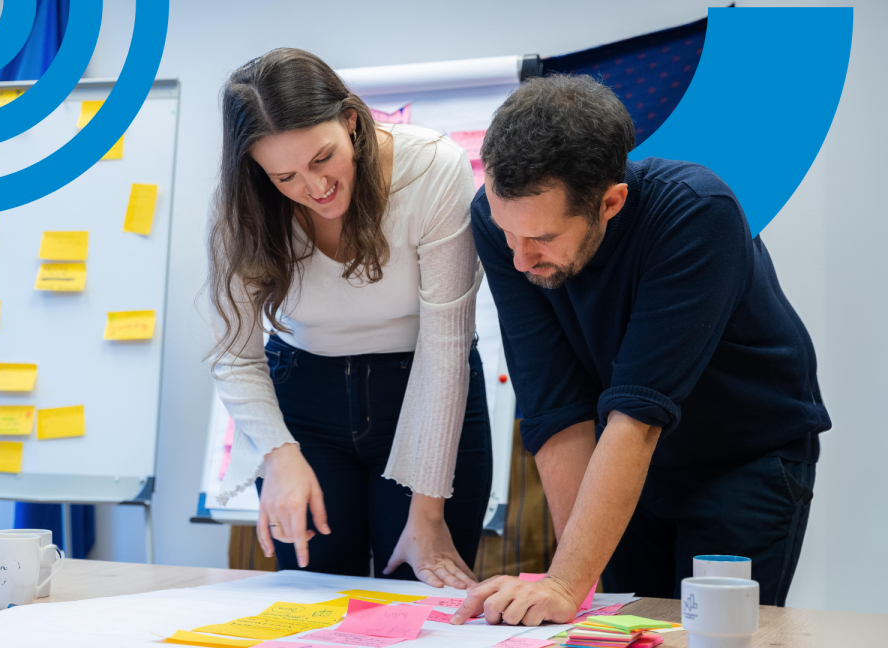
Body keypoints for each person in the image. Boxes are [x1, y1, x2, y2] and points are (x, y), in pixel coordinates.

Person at [453, 75, 829, 625]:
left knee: (709, 636)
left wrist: (564, 581)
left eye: (543, 239)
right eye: (509, 233)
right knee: (616, 625)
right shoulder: (498, 222)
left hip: (742, 458)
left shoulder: (698, 211)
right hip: (624, 462)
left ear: (610, 203)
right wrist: (572, 587)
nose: (520, 259)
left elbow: (639, 415)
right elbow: (555, 407)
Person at [207, 48, 490, 588]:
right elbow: (233, 354)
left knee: (420, 600)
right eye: (284, 176)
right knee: (314, 602)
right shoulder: (241, 204)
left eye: (322, 159)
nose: (313, 189)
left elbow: (447, 346)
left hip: (425, 389)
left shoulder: (431, 167)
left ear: (352, 121)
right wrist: (280, 457)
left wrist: (428, 514)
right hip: (305, 401)